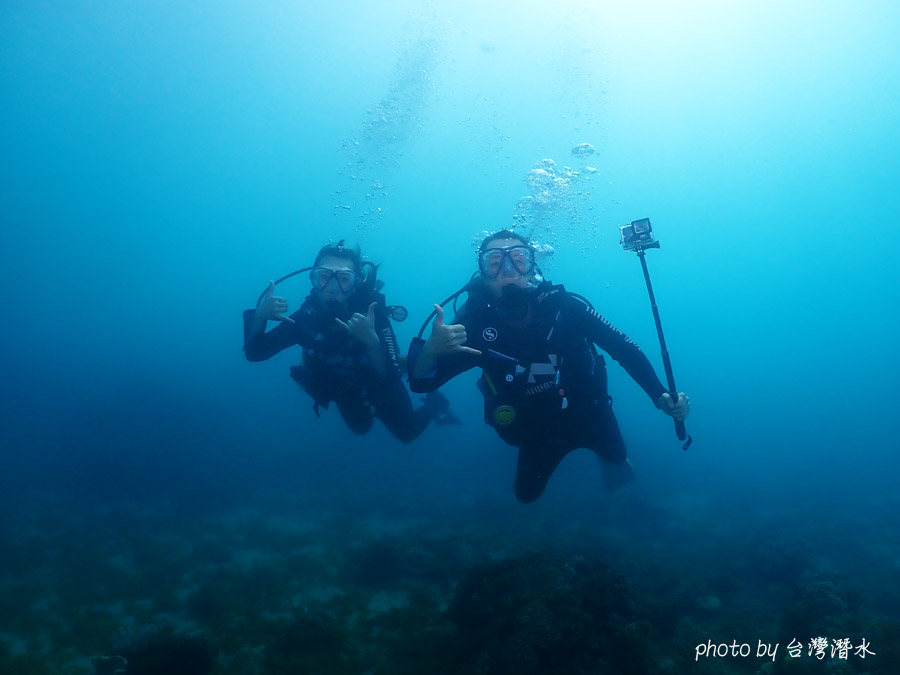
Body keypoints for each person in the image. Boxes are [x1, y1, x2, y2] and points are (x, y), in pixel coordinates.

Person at [408, 229, 689, 502]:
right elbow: (422, 382)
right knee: (526, 496)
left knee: (616, 458)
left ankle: (610, 462)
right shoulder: (476, 327)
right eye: (494, 263)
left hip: (590, 414)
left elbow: (623, 347)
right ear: (483, 276)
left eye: (519, 259)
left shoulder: (564, 308)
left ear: (533, 267)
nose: (508, 270)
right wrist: (431, 349)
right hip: (535, 429)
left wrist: (659, 395)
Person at [244, 240, 458, 442]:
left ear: (356, 283)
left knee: (406, 433)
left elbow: (391, 375)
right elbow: (255, 353)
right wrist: (260, 316)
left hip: (380, 383)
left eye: (344, 279)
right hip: (342, 387)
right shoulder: (306, 319)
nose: (333, 287)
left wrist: (371, 341)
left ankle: (435, 403)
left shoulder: (372, 313)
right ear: (313, 279)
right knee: (360, 428)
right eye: (323, 276)